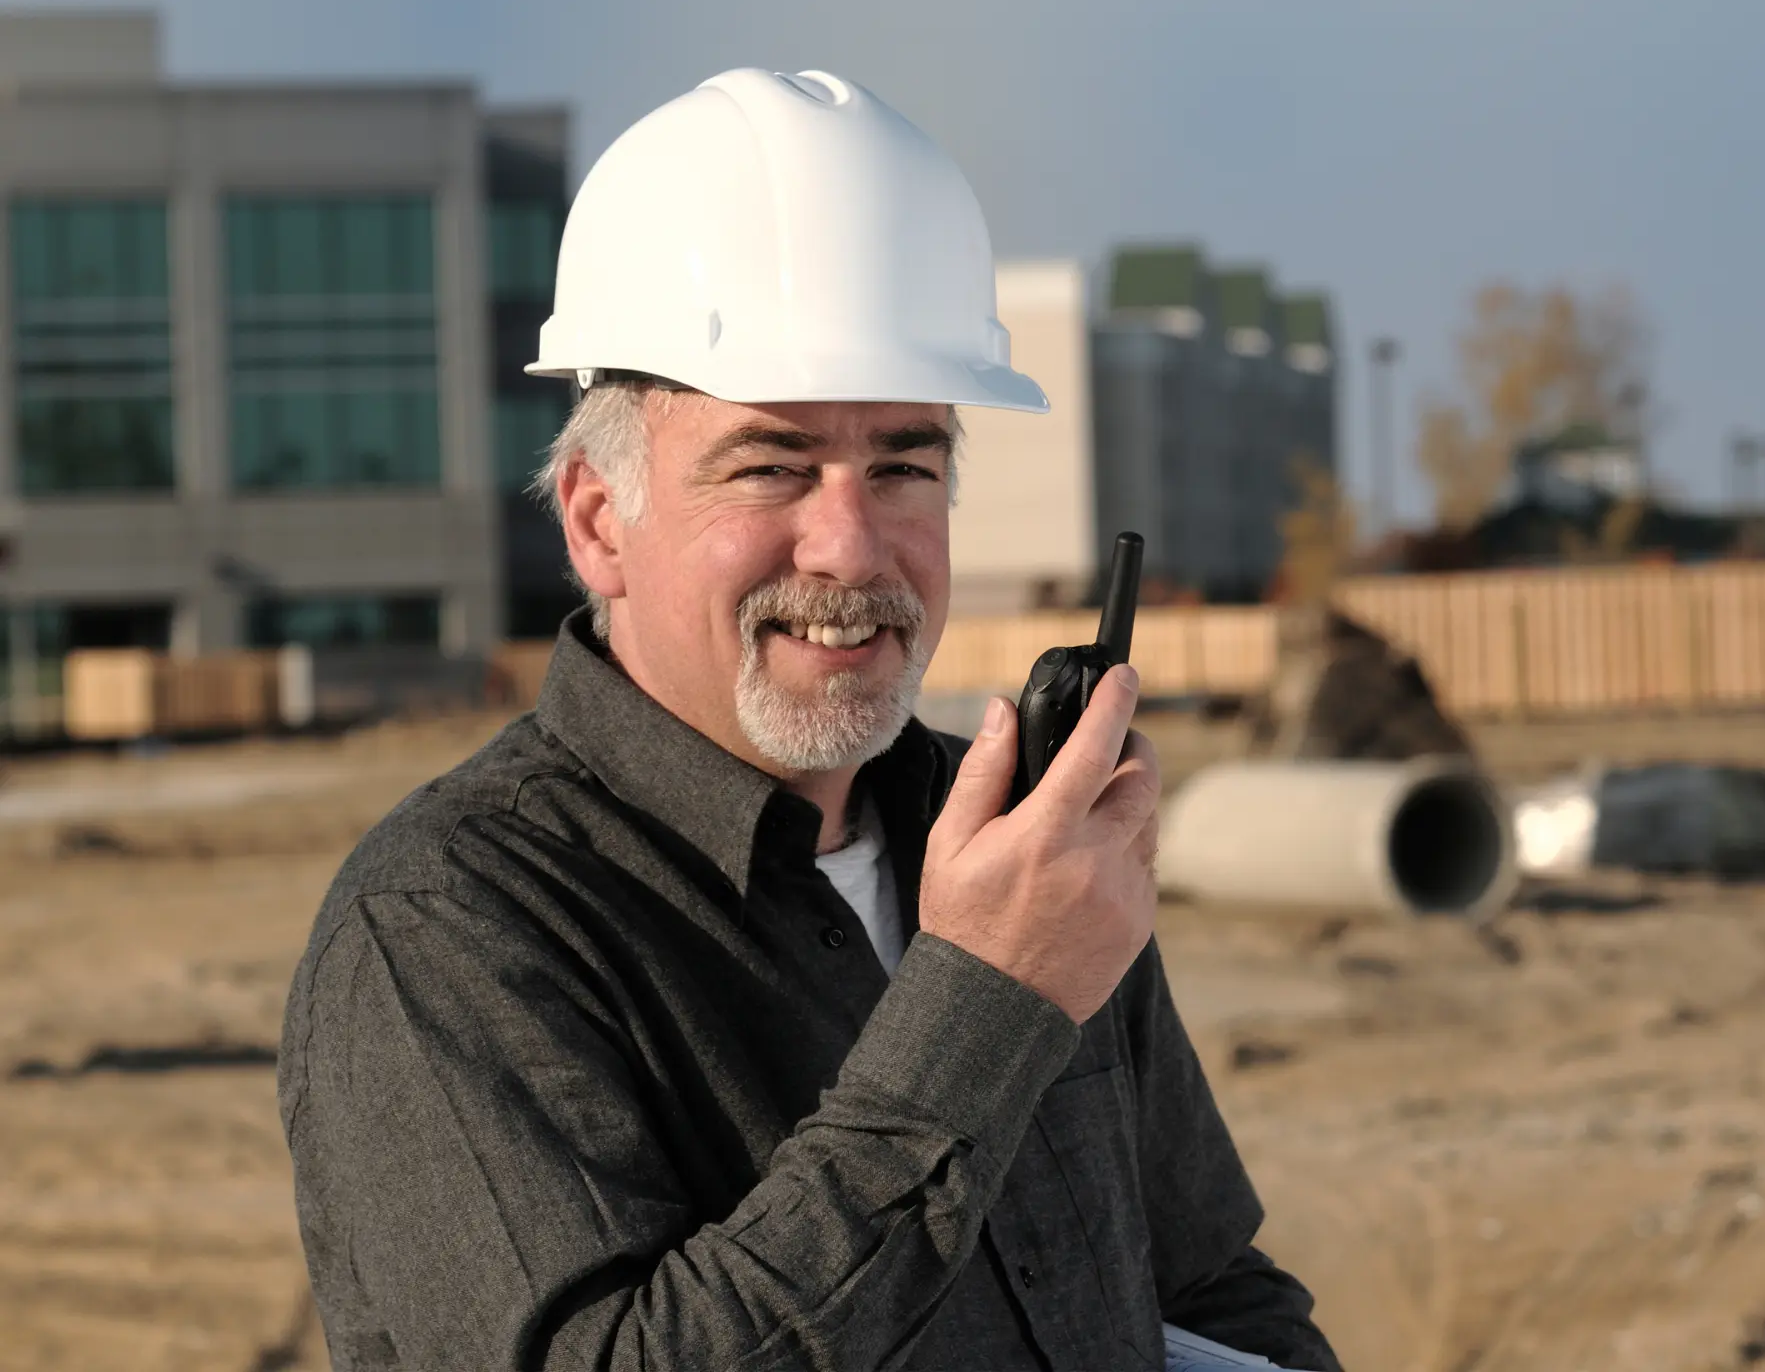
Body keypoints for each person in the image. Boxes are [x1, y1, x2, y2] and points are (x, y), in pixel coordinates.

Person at [277, 67, 1340, 1372]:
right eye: (771, 465)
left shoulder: (1018, 840)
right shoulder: (448, 925)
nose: (849, 544)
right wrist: (985, 1005)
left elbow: (1210, 1288)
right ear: (598, 522)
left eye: (904, 463)